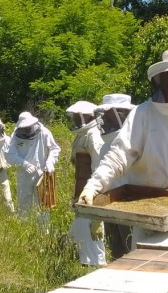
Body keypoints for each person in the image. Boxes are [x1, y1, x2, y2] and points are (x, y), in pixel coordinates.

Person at [78, 50, 168, 246]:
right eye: (167, 73)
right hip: (146, 215)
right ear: (159, 79)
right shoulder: (144, 112)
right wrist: (93, 185)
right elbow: (119, 155)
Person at [93, 93, 136, 259]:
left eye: (111, 116)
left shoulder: (137, 140)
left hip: (130, 208)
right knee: (116, 253)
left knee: (133, 252)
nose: (106, 121)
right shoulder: (105, 146)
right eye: (105, 116)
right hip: (109, 206)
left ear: (123, 115)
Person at [66, 100, 106, 266]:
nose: (75, 121)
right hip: (82, 192)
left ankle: (96, 265)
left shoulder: (94, 136)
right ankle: (86, 263)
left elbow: (98, 169)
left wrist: (96, 209)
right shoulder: (83, 135)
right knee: (80, 230)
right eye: (74, 117)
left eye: (77, 117)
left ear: (87, 117)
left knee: (90, 231)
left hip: (91, 195)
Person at [6, 111, 61, 224]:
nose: (26, 129)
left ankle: (43, 231)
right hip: (23, 174)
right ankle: (24, 227)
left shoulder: (44, 132)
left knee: (43, 203)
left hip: (42, 173)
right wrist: (23, 163)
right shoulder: (15, 135)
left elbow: (55, 149)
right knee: (23, 203)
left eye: (28, 127)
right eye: (24, 127)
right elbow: (9, 155)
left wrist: (50, 163)